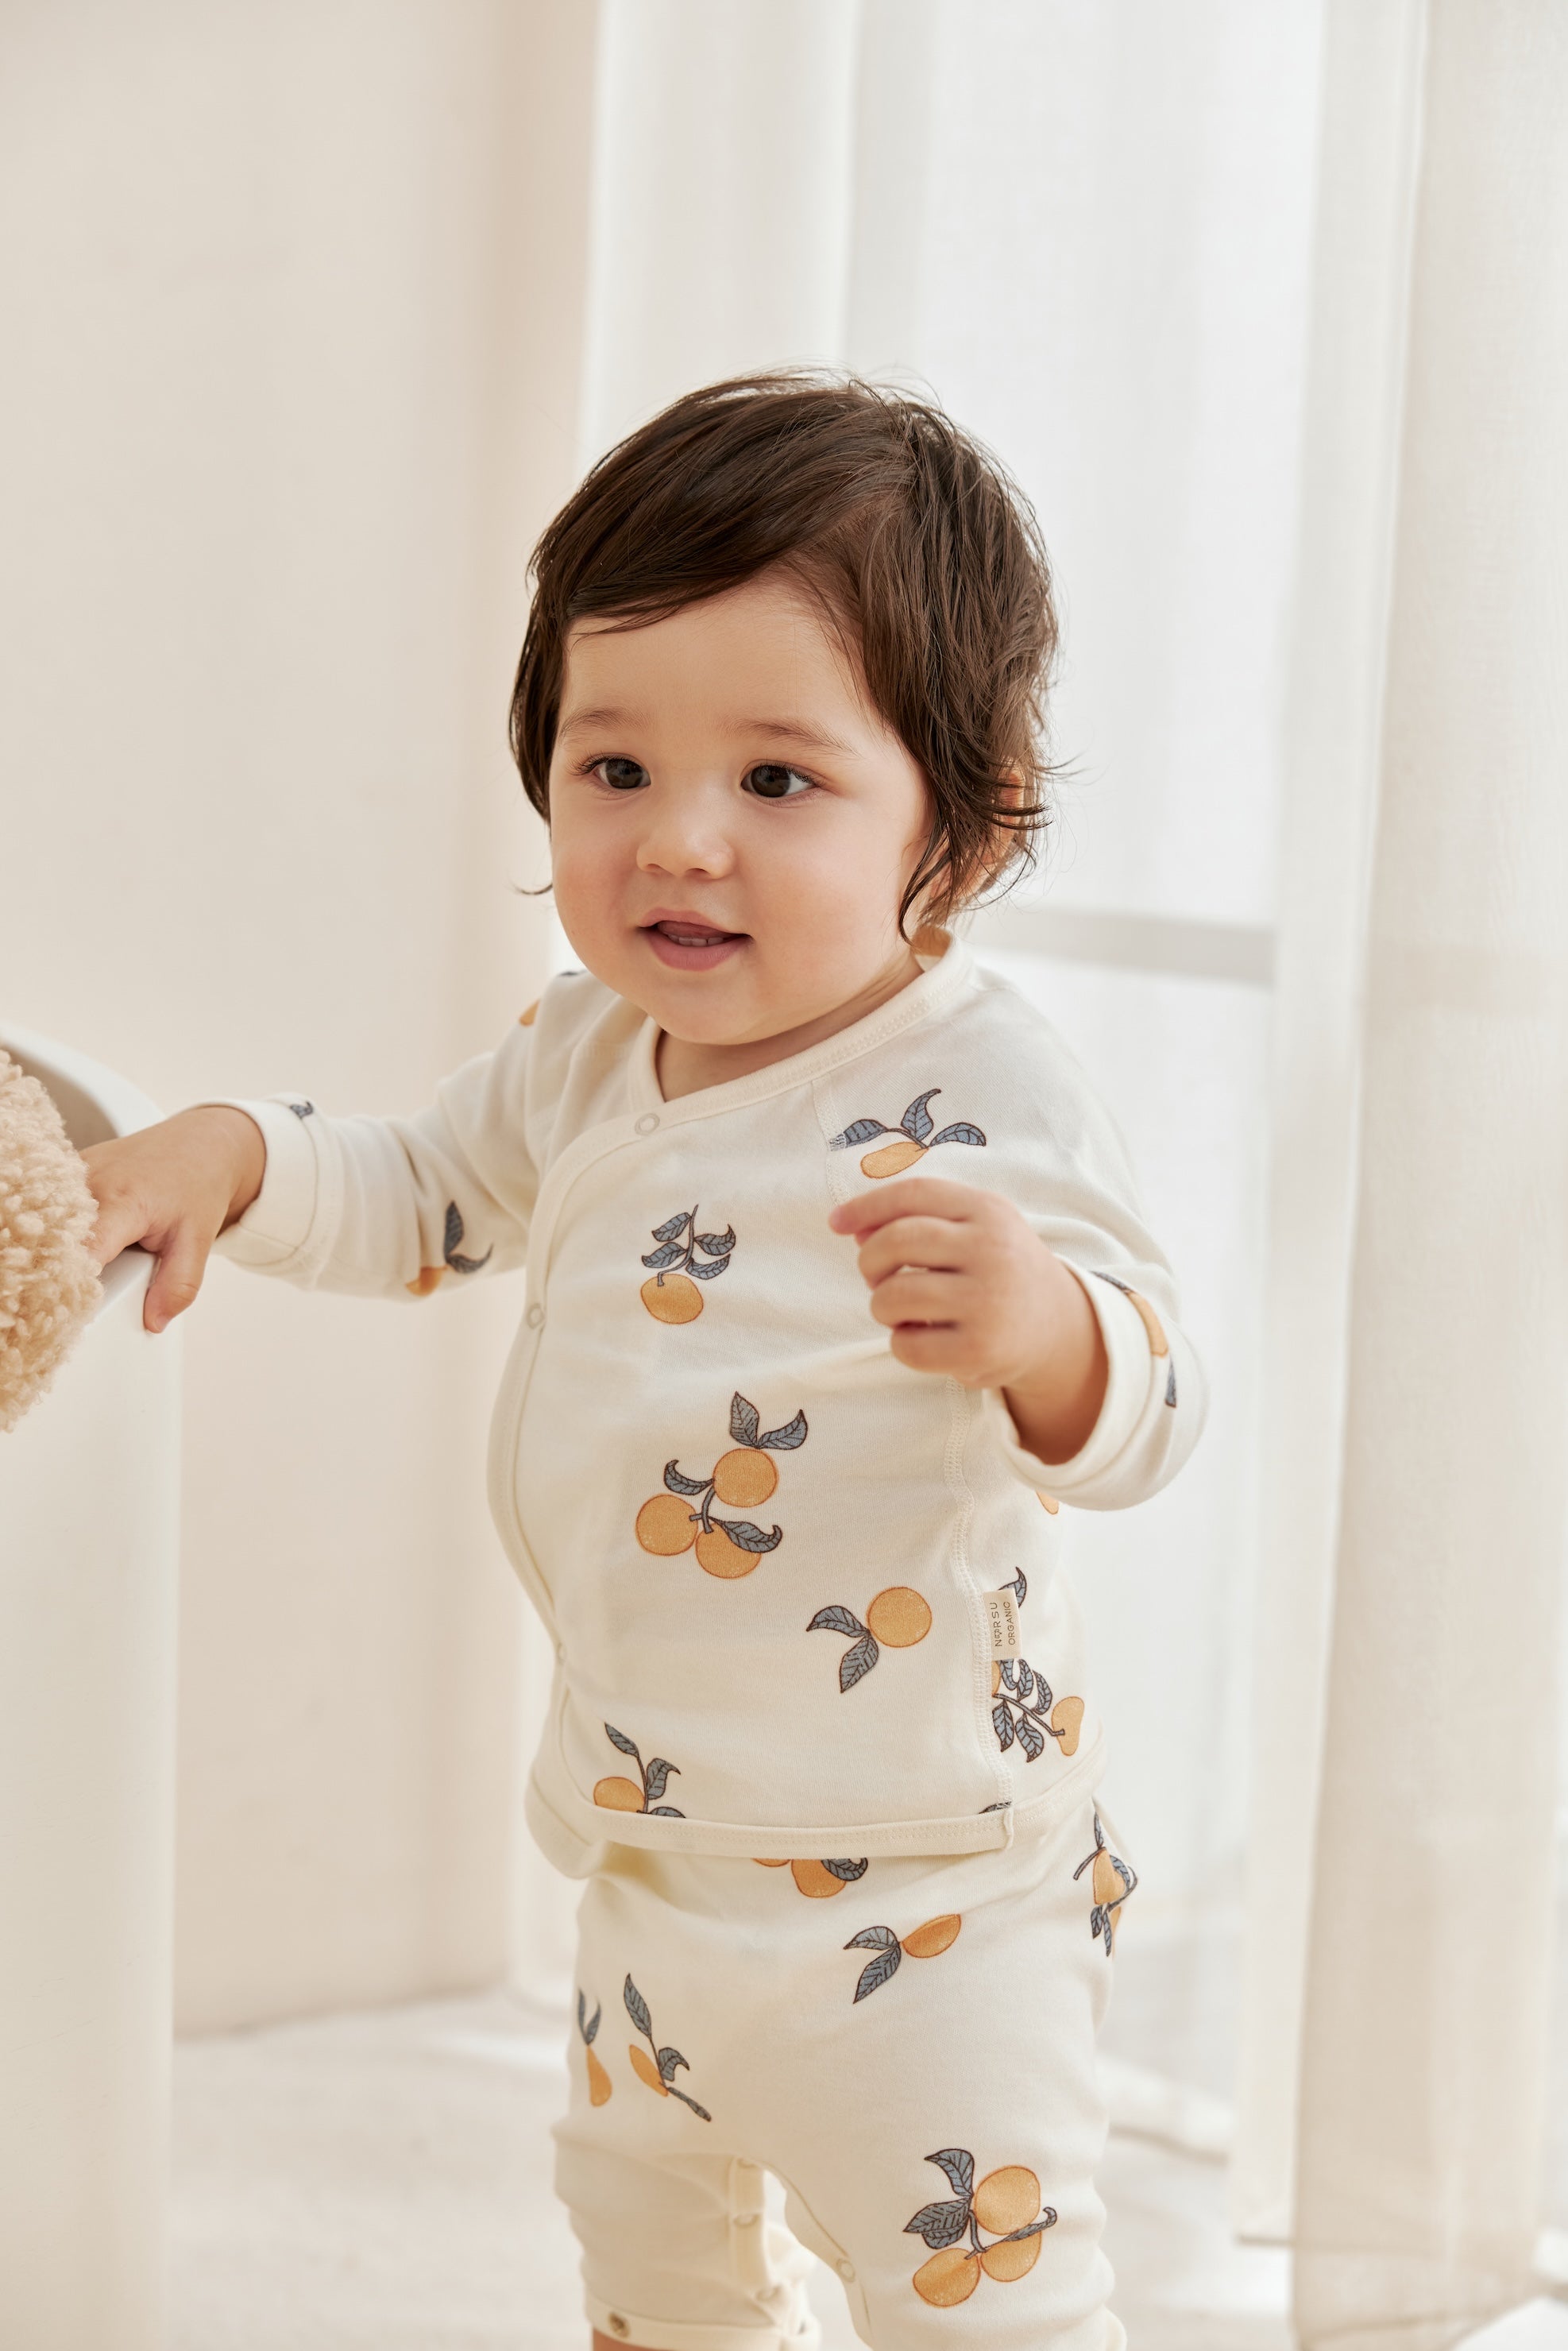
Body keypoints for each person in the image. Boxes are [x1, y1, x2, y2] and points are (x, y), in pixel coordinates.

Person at [84, 375, 1205, 2349]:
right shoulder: (588, 1053)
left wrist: (1048, 1332)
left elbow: (1159, 1405)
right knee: (644, 2248)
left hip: (927, 1892)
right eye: (614, 770)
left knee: (985, 2306)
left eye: (778, 782)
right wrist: (243, 1152)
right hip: (651, 1848)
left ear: (966, 811)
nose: (681, 841)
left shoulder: (986, 1086)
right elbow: (428, 1191)